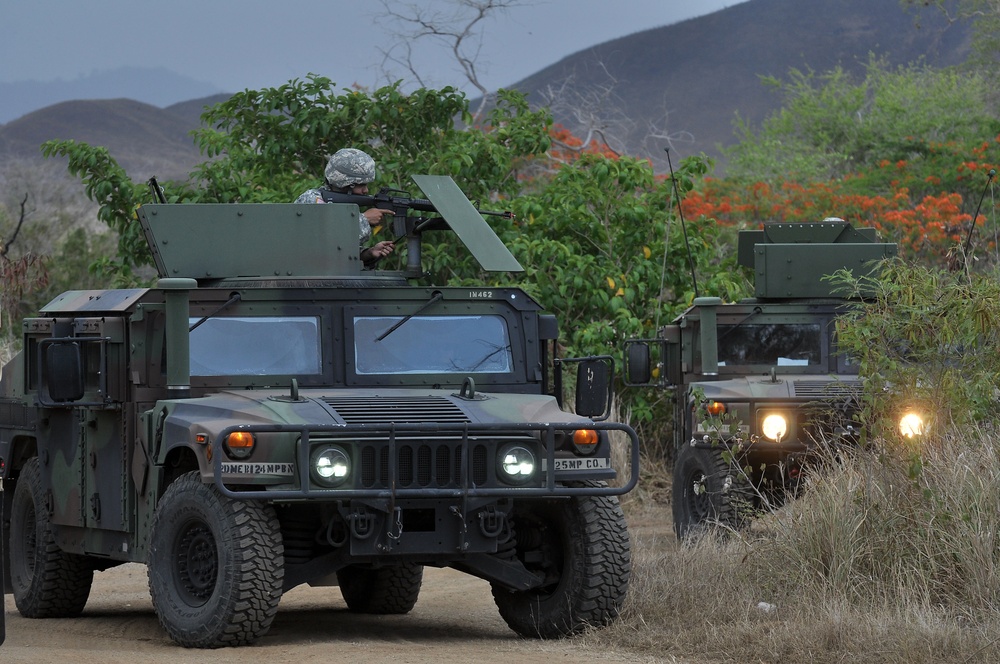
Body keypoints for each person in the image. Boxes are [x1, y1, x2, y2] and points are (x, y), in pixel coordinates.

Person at [295, 148, 395, 267]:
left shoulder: (341, 206)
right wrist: (364, 219)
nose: (366, 190)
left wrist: (368, 253)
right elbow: (322, 241)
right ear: (345, 184)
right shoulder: (312, 199)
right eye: (361, 185)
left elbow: (337, 251)